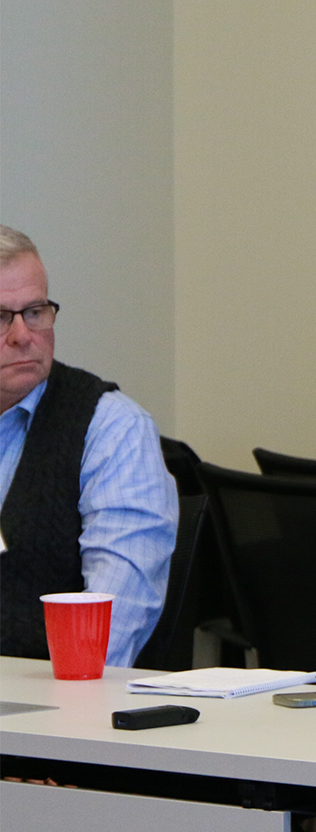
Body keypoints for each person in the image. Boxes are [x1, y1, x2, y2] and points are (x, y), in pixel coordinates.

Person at [0, 224, 178, 666]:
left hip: (49, 711)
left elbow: (103, 637)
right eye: (0, 317)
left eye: (35, 312)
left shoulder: (112, 428)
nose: (23, 335)